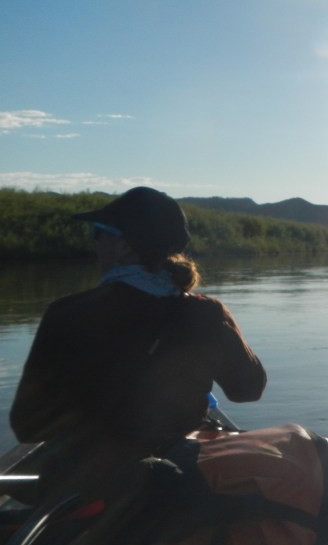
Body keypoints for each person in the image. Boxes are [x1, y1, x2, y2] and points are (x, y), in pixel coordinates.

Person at [9, 186, 267, 503]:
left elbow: (27, 427)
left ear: (126, 247)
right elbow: (248, 389)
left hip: (81, 492)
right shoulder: (204, 313)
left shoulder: (65, 314)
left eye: (99, 232)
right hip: (172, 485)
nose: (95, 243)